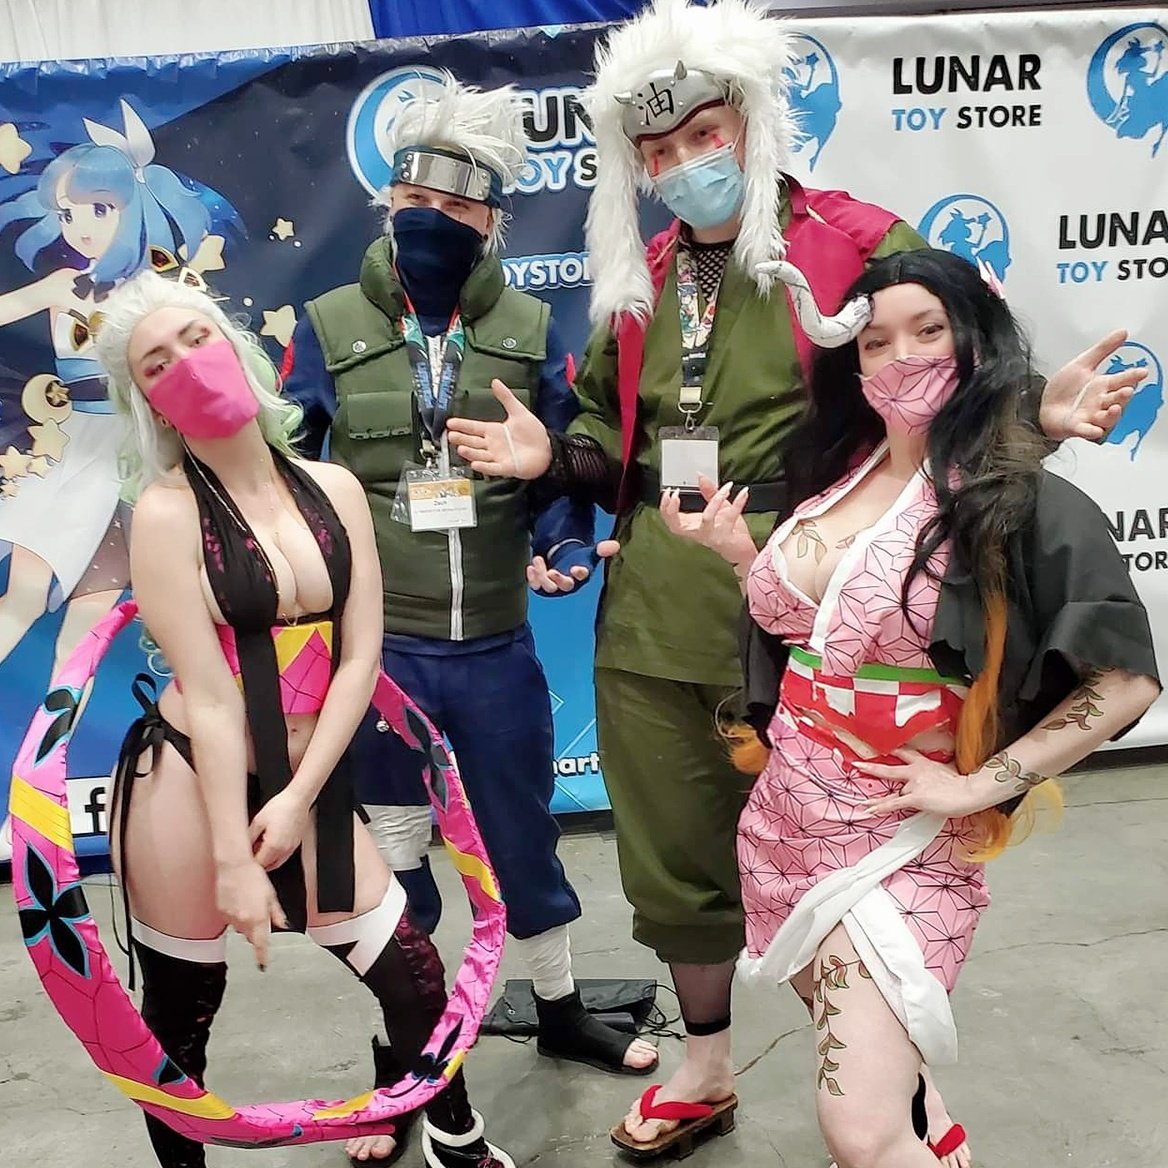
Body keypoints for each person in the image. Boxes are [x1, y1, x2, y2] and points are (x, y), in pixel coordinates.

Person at [445, 0, 1144, 1158]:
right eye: (657, 151)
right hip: (655, 615)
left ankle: (892, 1086)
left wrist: (1036, 418)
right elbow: (604, 438)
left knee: (856, 858)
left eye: (701, 135)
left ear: (751, 122)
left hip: (825, 607)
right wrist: (548, 463)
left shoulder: (859, 240)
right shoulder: (643, 276)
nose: (682, 164)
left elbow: (939, 366)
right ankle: (706, 1065)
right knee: (674, 860)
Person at [658, 246, 1160, 1168]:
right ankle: (927, 1113)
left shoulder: (1020, 500)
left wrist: (980, 786)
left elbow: (1125, 679)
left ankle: (905, 1119)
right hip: (786, 816)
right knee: (852, 1030)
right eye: (876, 340)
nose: (902, 358)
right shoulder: (837, 474)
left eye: (929, 330)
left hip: (903, 836)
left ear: (974, 341)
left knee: (858, 1127)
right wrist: (740, 555)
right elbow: (817, 624)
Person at [280, 73, 658, 1078]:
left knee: (521, 840)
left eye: (456, 206)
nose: (432, 221)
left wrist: (563, 543)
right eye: (414, 201)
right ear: (386, 206)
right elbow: (287, 480)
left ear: (492, 221)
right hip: (381, 655)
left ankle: (561, 1010)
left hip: (495, 645)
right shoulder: (326, 326)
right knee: (395, 853)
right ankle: (403, 1045)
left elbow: (557, 465)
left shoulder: (530, 329)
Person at [93, 270, 513, 1168]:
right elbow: (211, 698)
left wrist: (296, 799)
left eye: (196, 339)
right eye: (156, 364)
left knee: (413, 975)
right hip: (188, 781)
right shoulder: (164, 515)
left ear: (235, 348)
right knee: (179, 1021)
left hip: (309, 779)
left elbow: (360, 658)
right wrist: (231, 857)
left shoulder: (335, 487)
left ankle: (461, 1142)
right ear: (149, 403)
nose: (186, 365)